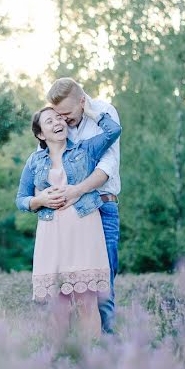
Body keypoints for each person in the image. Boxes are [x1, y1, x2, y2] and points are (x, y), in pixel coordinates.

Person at [16, 102, 121, 341]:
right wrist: (39, 199)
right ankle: (60, 362)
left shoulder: (85, 150)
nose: (57, 122)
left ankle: (92, 359)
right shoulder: (34, 161)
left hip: (84, 227)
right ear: (41, 134)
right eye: (49, 121)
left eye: (59, 118)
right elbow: (21, 199)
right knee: (58, 304)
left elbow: (113, 131)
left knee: (87, 302)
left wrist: (90, 109)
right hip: (52, 232)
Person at [46, 78, 121, 335]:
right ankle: (74, 354)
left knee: (102, 286)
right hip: (67, 214)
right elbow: (44, 162)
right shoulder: (56, 120)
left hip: (101, 207)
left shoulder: (104, 112)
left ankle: (107, 351)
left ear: (82, 101)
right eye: (58, 115)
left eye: (67, 113)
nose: (62, 120)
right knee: (68, 285)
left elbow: (108, 166)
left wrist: (77, 190)